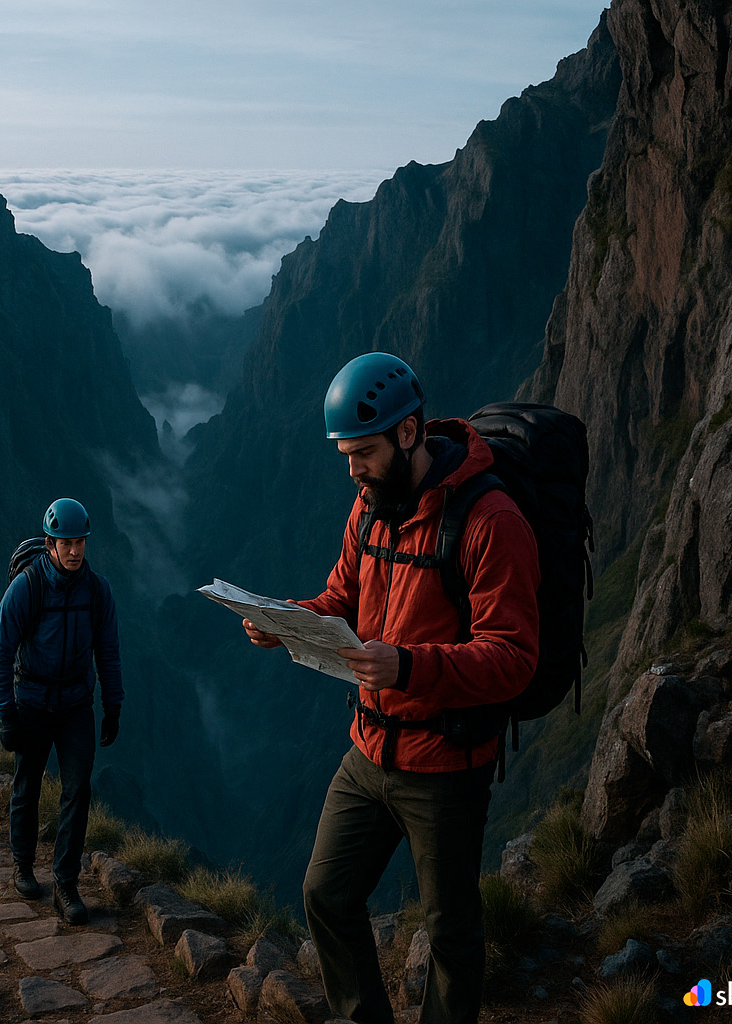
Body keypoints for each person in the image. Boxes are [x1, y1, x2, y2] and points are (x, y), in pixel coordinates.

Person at [243, 352, 539, 1024]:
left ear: (409, 434)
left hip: (446, 765)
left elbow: (514, 657)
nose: (351, 468)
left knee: (451, 932)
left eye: (363, 452)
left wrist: (409, 667)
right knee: (326, 894)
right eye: (345, 453)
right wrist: (288, 622)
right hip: (368, 748)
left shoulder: (491, 522)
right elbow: (344, 596)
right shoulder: (368, 509)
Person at [0, 498, 123, 925]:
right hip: (31, 701)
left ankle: (66, 883)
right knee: (27, 783)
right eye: (66, 543)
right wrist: (5, 714)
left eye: (80, 542)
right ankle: (22, 865)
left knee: (78, 789)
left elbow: (108, 651)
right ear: (50, 544)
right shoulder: (27, 587)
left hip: (75, 706)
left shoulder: (97, 591)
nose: (75, 550)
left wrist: (113, 704)